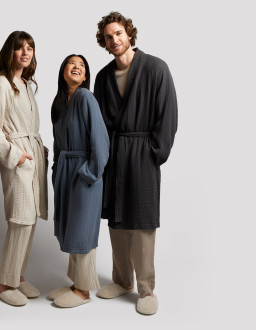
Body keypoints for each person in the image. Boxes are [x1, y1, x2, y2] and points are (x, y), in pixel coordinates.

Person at [93, 12, 178, 315]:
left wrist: (155, 153)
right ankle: (121, 280)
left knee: (142, 223)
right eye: (108, 37)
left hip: (143, 153)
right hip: (115, 153)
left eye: (118, 33)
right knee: (116, 221)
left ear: (129, 33)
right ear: (104, 43)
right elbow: (99, 123)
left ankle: (146, 289)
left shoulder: (156, 68)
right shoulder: (103, 78)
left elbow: (167, 116)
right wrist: (101, 157)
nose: (114, 40)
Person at [0, 31, 48, 306]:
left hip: (33, 154)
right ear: (9, 51)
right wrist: (15, 156)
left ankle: (18, 276)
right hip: (19, 156)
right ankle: (6, 283)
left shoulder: (26, 84)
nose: (25, 52)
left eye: (29, 47)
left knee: (31, 218)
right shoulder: (0, 83)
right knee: (20, 219)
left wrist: (39, 152)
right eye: (20, 47)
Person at [48, 55, 109, 308]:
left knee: (83, 230)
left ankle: (83, 292)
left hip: (84, 174)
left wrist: (90, 173)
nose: (76, 67)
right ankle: (75, 282)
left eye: (81, 66)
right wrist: (56, 172)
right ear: (63, 72)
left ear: (85, 77)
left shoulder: (86, 97)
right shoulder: (60, 104)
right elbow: (57, 144)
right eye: (71, 64)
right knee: (71, 227)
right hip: (65, 172)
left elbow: (101, 141)